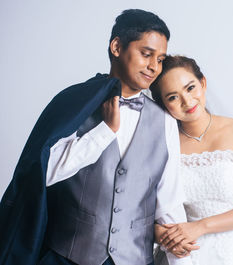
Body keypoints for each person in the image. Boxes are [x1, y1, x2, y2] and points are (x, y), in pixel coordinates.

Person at [0, 10, 196, 265]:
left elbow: (168, 200)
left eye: (159, 59)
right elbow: (42, 173)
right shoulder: (76, 103)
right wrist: (104, 132)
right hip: (66, 256)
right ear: (116, 46)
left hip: (135, 259)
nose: (153, 67)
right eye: (146, 54)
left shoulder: (165, 121)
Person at [149, 56, 233, 265]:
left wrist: (201, 226)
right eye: (172, 97)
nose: (187, 102)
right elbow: (142, 209)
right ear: (163, 104)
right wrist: (161, 234)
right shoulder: (163, 146)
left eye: (190, 88)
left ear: (203, 83)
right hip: (183, 254)